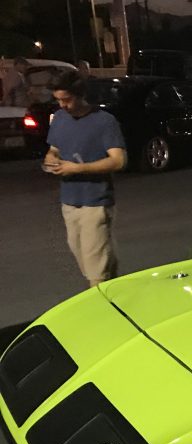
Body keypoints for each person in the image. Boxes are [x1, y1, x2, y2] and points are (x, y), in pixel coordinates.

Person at [41, 69, 126, 287]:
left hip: (95, 201)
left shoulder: (104, 121)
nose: (62, 105)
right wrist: (51, 159)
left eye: (66, 100)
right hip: (69, 201)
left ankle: (101, 311)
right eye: (58, 100)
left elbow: (118, 161)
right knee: (85, 256)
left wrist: (78, 169)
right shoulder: (60, 118)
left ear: (80, 94)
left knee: (96, 268)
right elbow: (54, 149)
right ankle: (116, 292)